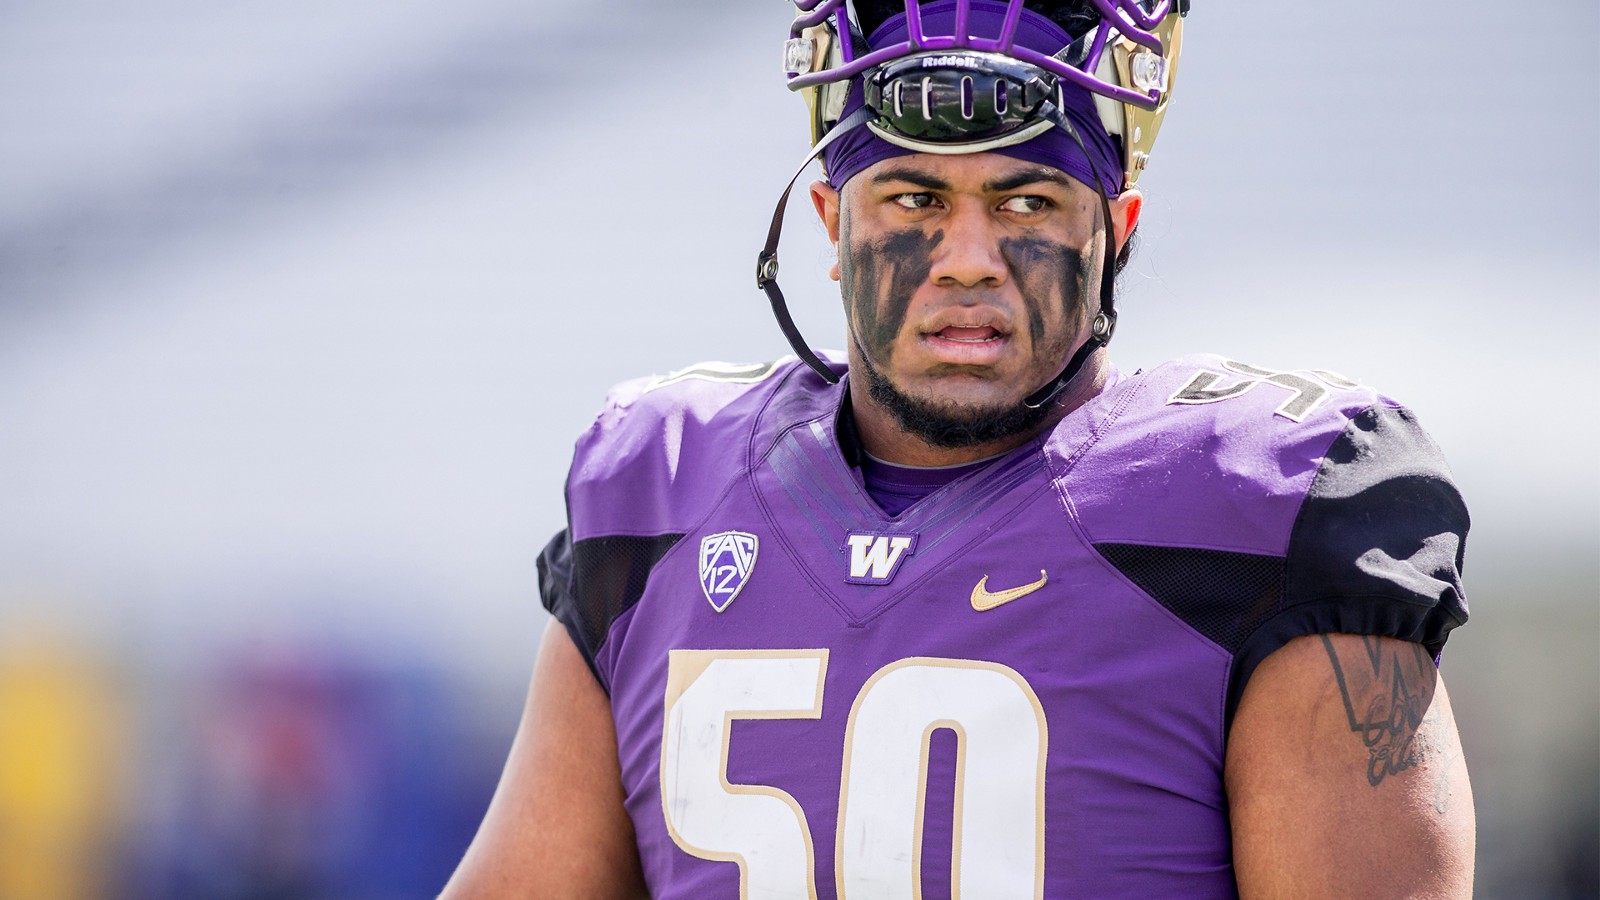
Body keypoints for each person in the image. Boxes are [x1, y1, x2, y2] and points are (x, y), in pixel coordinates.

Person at [442, 1, 1476, 896]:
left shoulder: (1258, 502)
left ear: (1113, 231)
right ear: (830, 226)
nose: (968, 259)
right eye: (914, 200)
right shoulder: (661, 490)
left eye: (1027, 201)